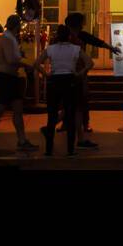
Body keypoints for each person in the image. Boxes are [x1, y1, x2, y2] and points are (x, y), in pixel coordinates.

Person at [0, 14, 37, 152]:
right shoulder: (7, 39)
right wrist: (25, 63)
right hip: (7, 77)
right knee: (0, 109)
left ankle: (22, 139)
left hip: (11, 77)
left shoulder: (9, 38)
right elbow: (11, 59)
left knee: (17, 110)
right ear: (17, 26)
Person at [64, 12, 119, 149]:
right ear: (78, 23)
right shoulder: (72, 38)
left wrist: (110, 48)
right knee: (79, 101)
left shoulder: (77, 35)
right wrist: (111, 48)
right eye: (83, 21)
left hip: (67, 73)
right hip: (77, 73)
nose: (85, 23)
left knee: (75, 102)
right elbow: (96, 43)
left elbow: (96, 41)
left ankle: (78, 125)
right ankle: (77, 129)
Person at [38, 24, 90, 156]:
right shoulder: (75, 49)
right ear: (69, 36)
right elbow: (90, 63)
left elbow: (36, 63)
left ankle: (48, 150)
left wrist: (46, 74)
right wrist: (80, 73)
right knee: (71, 114)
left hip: (54, 81)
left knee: (52, 115)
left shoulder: (51, 49)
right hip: (70, 80)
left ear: (57, 36)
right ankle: (70, 150)